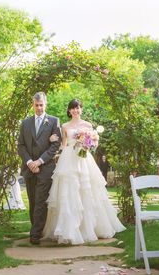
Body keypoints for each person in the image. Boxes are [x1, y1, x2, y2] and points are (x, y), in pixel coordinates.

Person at [43, 99, 125, 245]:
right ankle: (68, 229)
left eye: (78, 108)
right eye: (72, 108)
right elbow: (63, 145)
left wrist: (91, 142)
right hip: (68, 159)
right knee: (68, 192)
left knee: (87, 191)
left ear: (81, 109)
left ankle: (89, 228)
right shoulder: (65, 126)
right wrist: (51, 141)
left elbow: (94, 143)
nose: (75, 111)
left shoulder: (87, 125)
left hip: (84, 159)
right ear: (69, 111)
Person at [17, 92, 61, 244]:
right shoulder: (25, 123)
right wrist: (30, 162)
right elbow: (21, 146)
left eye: (41, 105)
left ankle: (34, 235)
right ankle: (37, 228)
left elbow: (55, 145)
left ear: (45, 104)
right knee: (33, 201)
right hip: (29, 169)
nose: (39, 108)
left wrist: (39, 161)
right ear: (33, 105)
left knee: (41, 200)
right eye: (36, 105)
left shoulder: (54, 121)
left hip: (46, 168)